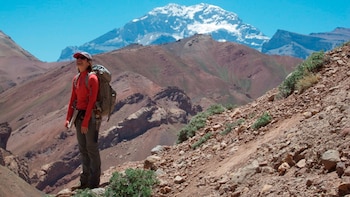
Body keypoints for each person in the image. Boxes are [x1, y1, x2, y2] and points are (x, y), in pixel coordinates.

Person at [64, 51, 101, 189]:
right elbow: (72, 100)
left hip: (90, 117)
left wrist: (86, 121)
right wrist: (68, 118)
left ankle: (94, 183)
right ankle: (84, 182)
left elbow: (92, 101)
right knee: (83, 149)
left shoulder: (92, 78)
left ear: (89, 62)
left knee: (91, 148)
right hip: (79, 116)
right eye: (77, 58)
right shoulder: (76, 79)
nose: (79, 60)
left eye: (82, 58)